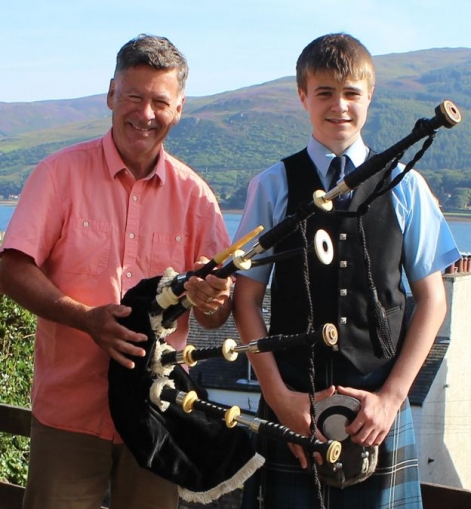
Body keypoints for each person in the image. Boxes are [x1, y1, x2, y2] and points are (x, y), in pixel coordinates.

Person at [0, 34, 232, 509]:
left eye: (160, 101)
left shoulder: (198, 199)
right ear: (111, 95)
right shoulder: (57, 174)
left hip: (156, 417)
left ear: (179, 108)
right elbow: (10, 268)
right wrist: (86, 319)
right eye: (134, 96)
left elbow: (212, 315)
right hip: (70, 417)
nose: (145, 113)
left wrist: (214, 301)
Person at [232, 33, 460, 509]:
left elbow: (432, 299)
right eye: (325, 92)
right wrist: (279, 398)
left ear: (370, 96)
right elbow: (246, 300)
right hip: (293, 411)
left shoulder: (406, 185)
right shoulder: (271, 186)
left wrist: (392, 399)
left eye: (352, 92)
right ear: (303, 96)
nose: (340, 106)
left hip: (378, 411)